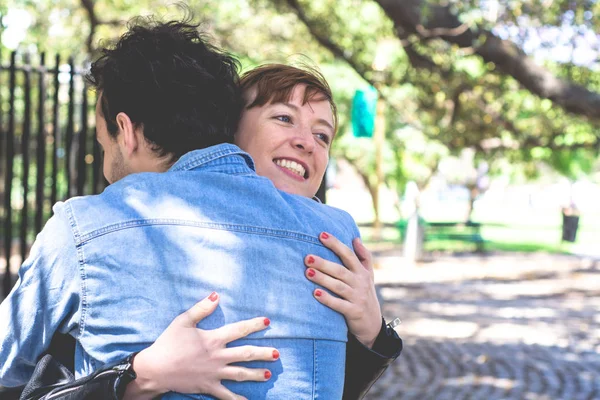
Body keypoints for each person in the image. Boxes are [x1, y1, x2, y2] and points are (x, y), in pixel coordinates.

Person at [2, 18, 401, 400]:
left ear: (124, 132)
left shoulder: (86, 226)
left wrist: (372, 334)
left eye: (322, 135)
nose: (306, 143)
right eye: (283, 118)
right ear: (228, 129)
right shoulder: (334, 231)